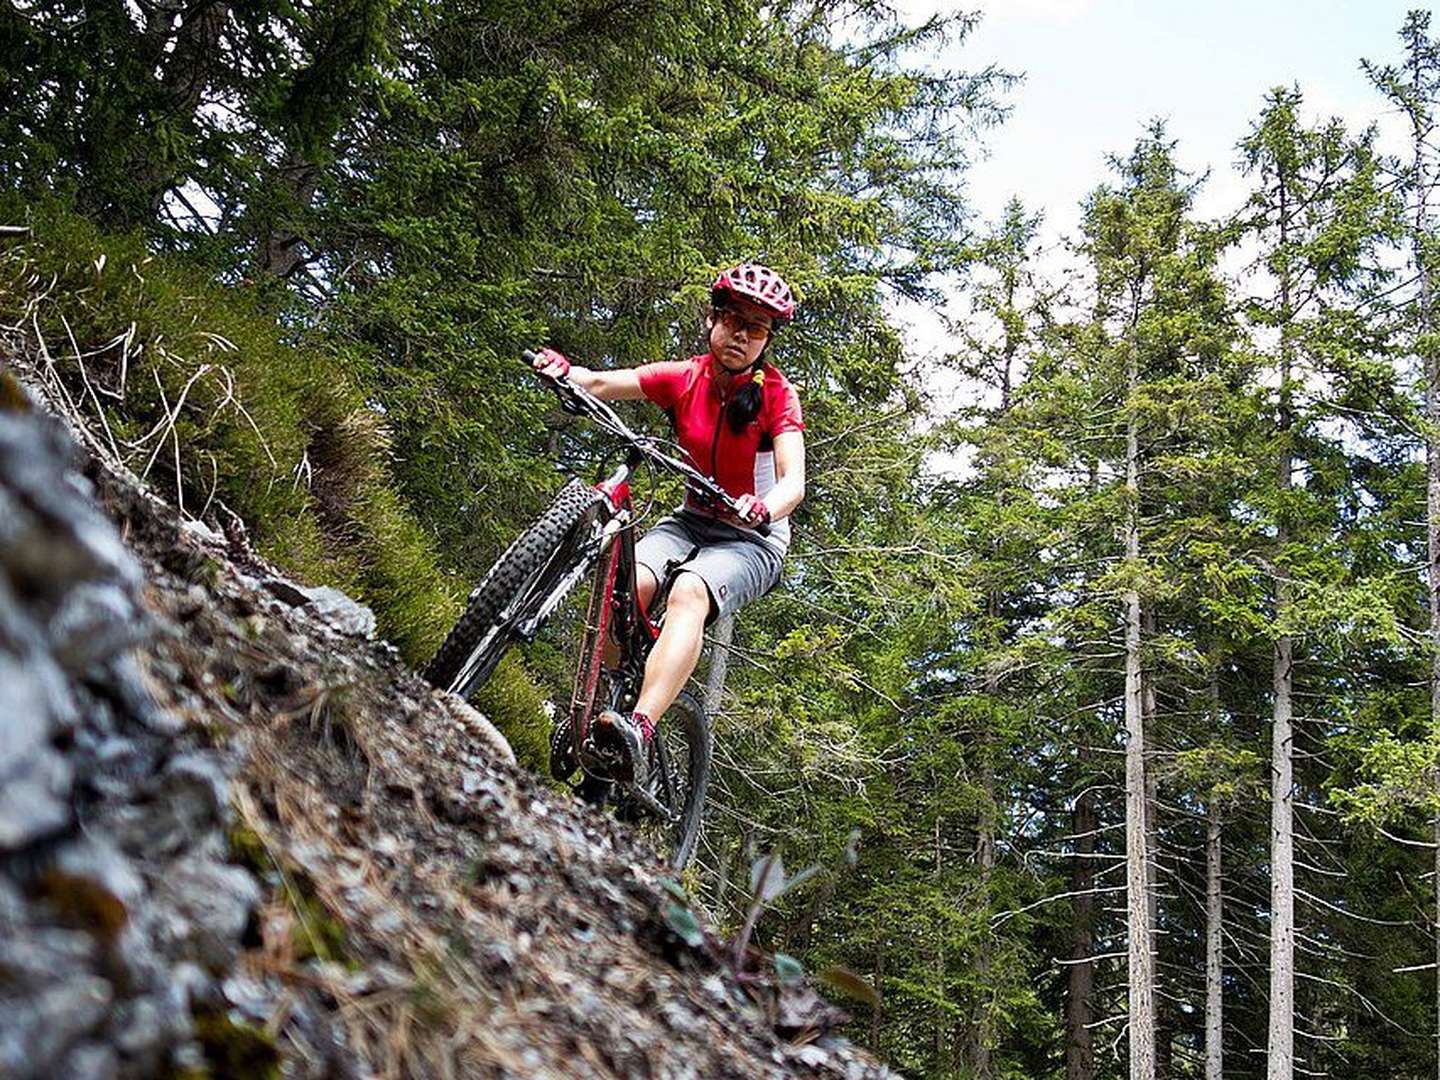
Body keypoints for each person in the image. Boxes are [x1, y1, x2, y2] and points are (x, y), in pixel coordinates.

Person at [531, 263, 806, 787]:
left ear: (766, 339)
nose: (741, 335)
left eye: (757, 328)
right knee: (625, 585)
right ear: (712, 320)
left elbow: (794, 481)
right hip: (691, 520)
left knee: (690, 593)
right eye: (733, 321)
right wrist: (563, 372)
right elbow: (602, 382)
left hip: (754, 538)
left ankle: (639, 726)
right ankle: (599, 704)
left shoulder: (776, 396)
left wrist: (764, 506)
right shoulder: (687, 377)